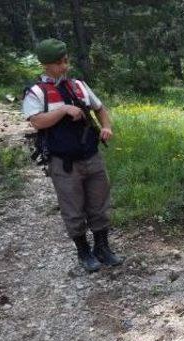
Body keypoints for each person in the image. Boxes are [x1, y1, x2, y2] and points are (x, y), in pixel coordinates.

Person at [22, 38, 122, 272]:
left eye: (65, 61)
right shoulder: (36, 92)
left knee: (99, 204)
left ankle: (102, 248)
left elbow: (99, 108)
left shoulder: (79, 85)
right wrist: (64, 110)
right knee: (73, 209)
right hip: (64, 163)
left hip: (91, 155)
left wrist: (106, 127)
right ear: (45, 65)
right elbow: (37, 122)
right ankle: (83, 253)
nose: (64, 67)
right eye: (58, 63)